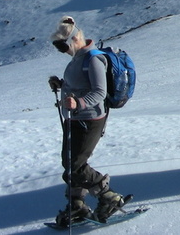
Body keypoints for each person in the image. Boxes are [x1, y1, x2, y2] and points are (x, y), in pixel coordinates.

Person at [48, 16, 125, 226]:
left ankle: (109, 197)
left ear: (74, 39)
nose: (61, 50)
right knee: (70, 162)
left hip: (90, 119)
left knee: (75, 164)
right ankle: (77, 204)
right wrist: (61, 84)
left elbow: (100, 92)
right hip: (75, 118)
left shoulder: (93, 59)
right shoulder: (78, 58)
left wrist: (78, 103)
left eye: (62, 46)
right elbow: (80, 84)